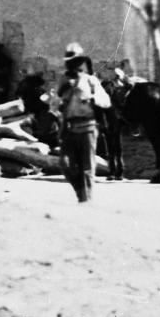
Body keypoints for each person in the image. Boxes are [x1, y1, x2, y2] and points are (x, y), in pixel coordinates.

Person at [56, 43, 110, 202]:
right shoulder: (62, 81)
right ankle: (80, 192)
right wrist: (58, 98)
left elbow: (105, 101)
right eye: (70, 62)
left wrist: (92, 99)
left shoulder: (90, 80)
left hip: (87, 127)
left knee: (87, 166)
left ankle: (86, 200)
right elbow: (54, 102)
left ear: (81, 62)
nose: (72, 65)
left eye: (76, 61)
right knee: (66, 165)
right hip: (68, 128)